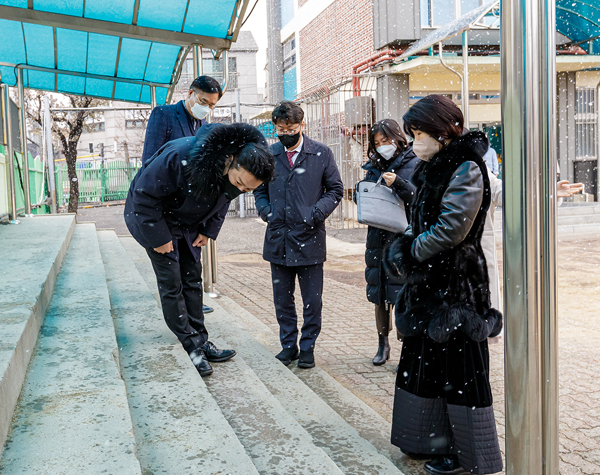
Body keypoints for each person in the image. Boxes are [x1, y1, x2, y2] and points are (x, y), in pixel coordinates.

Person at [384, 95, 503, 474]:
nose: (415, 141)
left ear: (441, 130)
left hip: (456, 286)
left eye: (418, 133)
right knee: (426, 364)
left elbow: (452, 228)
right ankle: (427, 440)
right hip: (429, 284)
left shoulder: (466, 166)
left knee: (461, 372)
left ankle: (468, 457)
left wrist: (410, 249)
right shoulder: (436, 165)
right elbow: (426, 214)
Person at [125, 123, 275, 377]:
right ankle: (191, 347)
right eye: (240, 183)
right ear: (230, 159)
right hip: (154, 218)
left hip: (189, 222)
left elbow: (224, 200)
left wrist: (209, 231)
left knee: (193, 278)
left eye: (248, 189)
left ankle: (201, 341)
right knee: (172, 283)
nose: (241, 190)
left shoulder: (239, 175)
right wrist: (159, 237)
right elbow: (143, 196)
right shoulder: (180, 156)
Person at [254, 101, 343, 369]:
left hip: (310, 238)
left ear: (302, 125)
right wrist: (266, 210)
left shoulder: (321, 154)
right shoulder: (269, 155)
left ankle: (308, 347)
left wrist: (316, 212)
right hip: (278, 239)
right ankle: (288, 345)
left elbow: (335, 190)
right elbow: (258, 189)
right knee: (282, 299)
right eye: (280, 129)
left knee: (312, 300)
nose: (286, 133)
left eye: (291, 128)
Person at [141, 75, 223, 314]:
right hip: (166, 205)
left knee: (191, 265)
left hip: (192, 208)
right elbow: (151, 162)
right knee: (171, 267)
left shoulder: (203, 126)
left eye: (212, 105)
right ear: (189, 93)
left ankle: (193, 304)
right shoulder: (164, 115)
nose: (206, 108)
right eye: (203, 101)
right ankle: (180, 314)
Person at [362, 119, 419, 366]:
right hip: (377, 235)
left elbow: (418, 198)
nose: (382, 146)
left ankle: (406, 347)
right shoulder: (373, 165)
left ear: (397, 138)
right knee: (380, 292)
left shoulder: (414, 162)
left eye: (386, 141)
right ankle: (382, 344)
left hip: (402, 235)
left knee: (403, 293)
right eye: (377, 143)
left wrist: (398, 183)